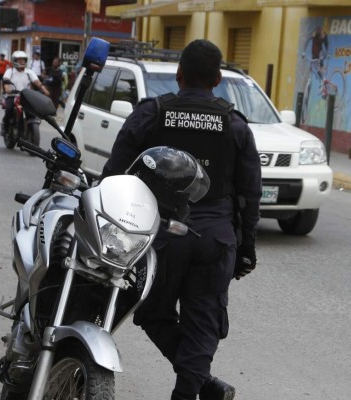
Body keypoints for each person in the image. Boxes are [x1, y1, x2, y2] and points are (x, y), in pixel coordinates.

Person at [101, 39, 262, 400]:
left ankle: (198, 384)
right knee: (204, 327)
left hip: (162, 238)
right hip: (215, 238)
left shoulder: (152, 113)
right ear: (218, 78)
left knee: (152, 313)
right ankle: (195, 387)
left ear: (179, 74)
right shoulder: (235, 126)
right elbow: (251, 194)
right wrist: (246, 249)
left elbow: (114, 176)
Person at [0, 50, 49, 135]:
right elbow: (6, 80)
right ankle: (5, 126)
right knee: (9, 109)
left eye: (23, 59)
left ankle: (30, 125)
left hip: (26, 96)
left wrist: (45, 90)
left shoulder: (29, 72)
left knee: (32, 110)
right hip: (12, 95)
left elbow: (37, 81)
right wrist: (7, 89)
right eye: (19, 60)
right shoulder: (10, 71)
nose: (22, 61)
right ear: (14, 60)